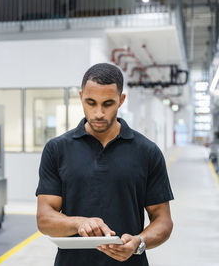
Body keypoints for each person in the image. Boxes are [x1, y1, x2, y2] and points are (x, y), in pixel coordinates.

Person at [36, 63, 174, 266]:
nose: (99, 113)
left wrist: (139, 242)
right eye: (91, 102)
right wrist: (79, 223)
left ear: (121, 100)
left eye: (108, 103)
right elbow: (44, 219)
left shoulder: (147, 152)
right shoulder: (57, 149)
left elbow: (163, 221)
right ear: (81, 97)